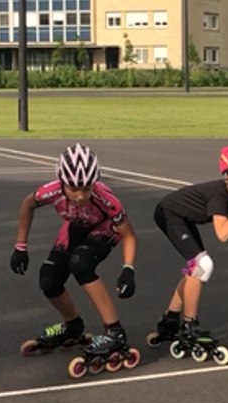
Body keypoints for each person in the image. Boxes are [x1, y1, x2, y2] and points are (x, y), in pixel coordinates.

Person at [11, 144, 139, 364]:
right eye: (73, 189)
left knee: (81, 263)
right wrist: (20, 246)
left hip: (104, 229)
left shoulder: (107, 200)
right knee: (49, 279)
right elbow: (27, 205)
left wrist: (128, 268)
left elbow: (128, 235)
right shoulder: (51, 191)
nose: (80, 196)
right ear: (62, 182)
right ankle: (73, 325)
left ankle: (115, 332)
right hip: (76, 227)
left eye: (86, 188)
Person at [149, 143, 228, 361]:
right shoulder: (219, 196)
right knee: (202, 266)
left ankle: (169, 321)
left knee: (195, 269)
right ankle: (189, 325)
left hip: (183, 216)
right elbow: (222, 234)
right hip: (169, 214)